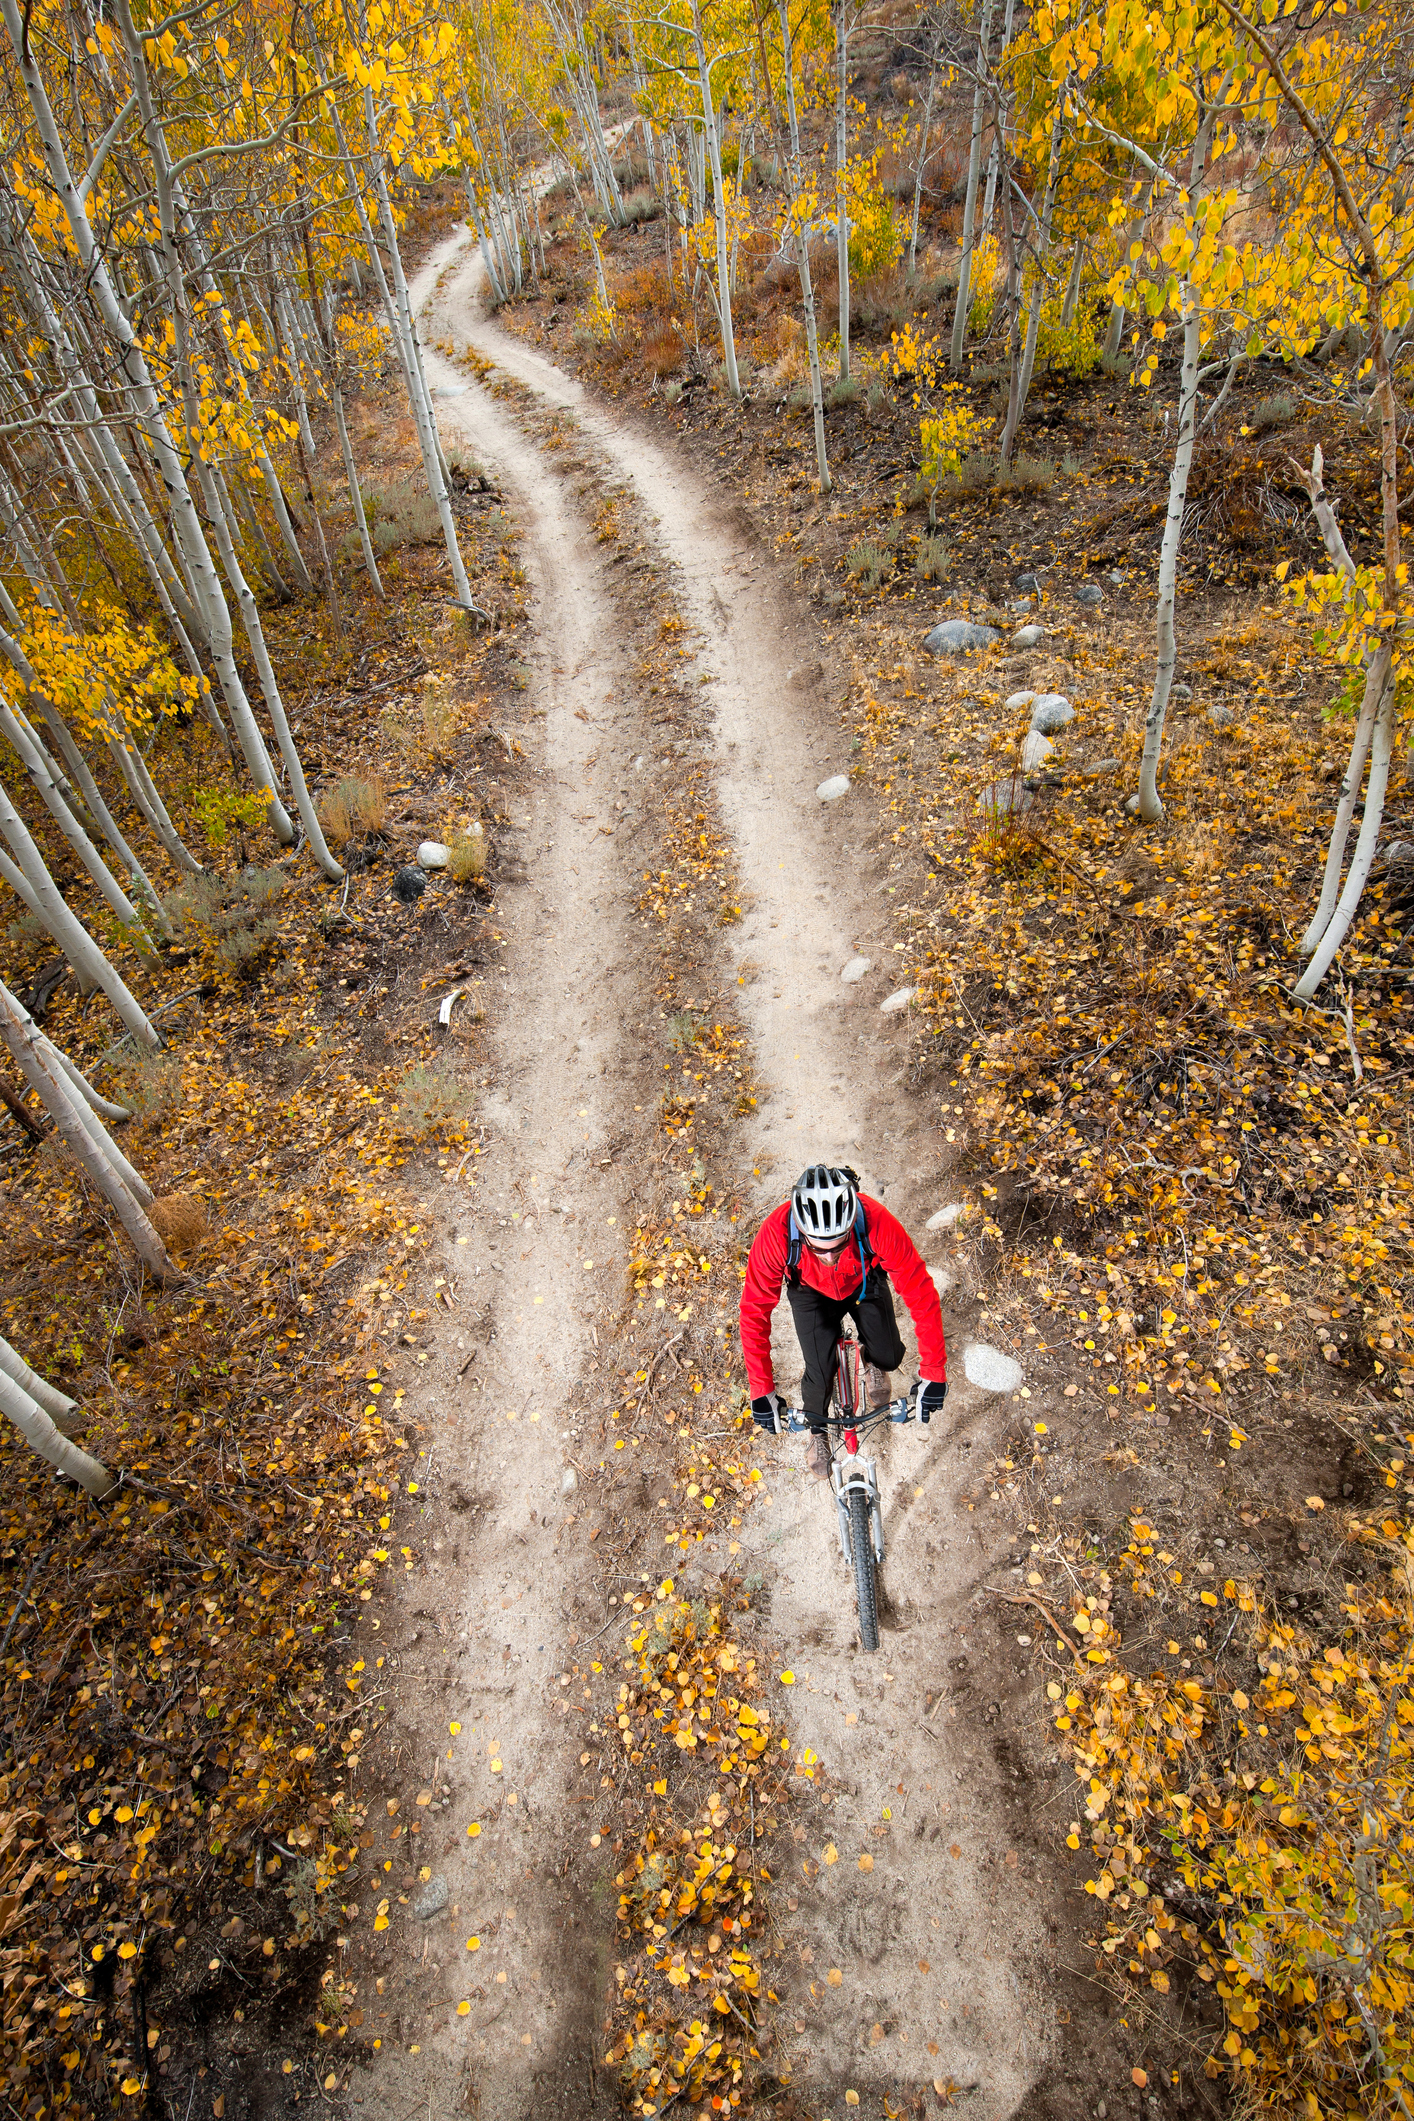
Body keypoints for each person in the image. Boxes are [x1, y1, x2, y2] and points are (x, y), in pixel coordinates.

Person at [740, 1162, 948, 1480]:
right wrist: (761, 1390)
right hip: (810, 1293)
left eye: (837, 1247)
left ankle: (869, 1360)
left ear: (851, 1224)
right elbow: (754, 1312)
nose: (827, 1257)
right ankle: (818, 1432)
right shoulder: (776, 1233)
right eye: (817, 1248)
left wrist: (933, 1373)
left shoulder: (877, 1221)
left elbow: (921, 1293)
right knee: (820, 1375)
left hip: (863, 1280)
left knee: (890, 1355)